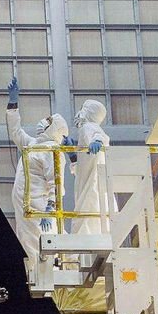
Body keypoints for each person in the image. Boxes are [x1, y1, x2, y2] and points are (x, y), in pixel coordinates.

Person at [6, 78, 69, 268]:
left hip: (40, 208)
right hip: (25, 207)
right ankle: (34, 276)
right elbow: (15, 132)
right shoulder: (33, 144)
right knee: (27, 244)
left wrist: (50, 209)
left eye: (48, 121)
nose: (42, 122)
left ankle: (49, 276)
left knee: (40, 244)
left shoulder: (51, 150)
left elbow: (56, 182)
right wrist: (13, 104)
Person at [70, 99, 110, 235]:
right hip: (89, 186)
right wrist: (73, 157)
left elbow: (99, 135)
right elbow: (82, 168)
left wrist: (97, 140)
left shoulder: (88, 127)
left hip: (92, 188)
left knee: (86, 223)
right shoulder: (85, 132)